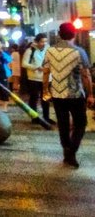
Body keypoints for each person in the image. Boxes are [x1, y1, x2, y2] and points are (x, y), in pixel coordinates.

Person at [42, 22, 94, 168]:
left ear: (59, 34)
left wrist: (45, 90)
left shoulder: (50, 51)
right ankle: (72, 151)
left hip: (57, 94)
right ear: (74, 34)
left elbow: (46, 72)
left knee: (63, 124)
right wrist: (90, 95)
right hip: (75, 94)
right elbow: (86, 75)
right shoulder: (79, 52)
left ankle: (67, 150)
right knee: (80, 124)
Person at [22, 33, 52, 125]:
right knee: (34, 98)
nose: (44, 43)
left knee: (46, 98)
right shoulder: (30, 51)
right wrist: (36, 67)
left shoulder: (48, 50)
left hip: (46, 78)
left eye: (45, 41)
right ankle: (34, 117)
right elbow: (24, 64)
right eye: (42, 41)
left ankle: (46, 117)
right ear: (37, 42)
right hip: (34, 78)